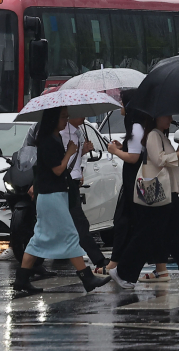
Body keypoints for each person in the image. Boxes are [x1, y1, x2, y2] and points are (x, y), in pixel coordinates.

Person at [11, 107, 113, 295]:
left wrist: (72, 153)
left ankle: (22, 279)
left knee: (39, 238)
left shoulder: (55, 138)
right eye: (63, 117)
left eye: (67, 117)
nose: (66, 120)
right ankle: (87, 277)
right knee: (70, 234)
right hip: (51, 196)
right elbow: (57, 169)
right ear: (52, 120)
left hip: (55, 194)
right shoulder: (48, 141)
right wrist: (70, 152)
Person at [111, 113, 179, 288]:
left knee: (176, 234)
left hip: (169, 192)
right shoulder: (153, 134)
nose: (170, 119)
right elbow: (159, 160)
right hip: (158, 193)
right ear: (155, 118)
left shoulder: (161, 136)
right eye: (166, 116)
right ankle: (122, 271)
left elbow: (172, 160)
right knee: (147, 234)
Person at [101, 105, 166, 281]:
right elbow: (135, 150)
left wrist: (116, 152)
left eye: (122, 103)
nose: (120, 107)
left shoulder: (136, 126)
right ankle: (159, 267)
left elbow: (134, 157)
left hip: (134, 182)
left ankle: (116, 265)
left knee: (128, 222)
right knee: (135, 223)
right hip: (136, 180)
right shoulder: (139, 125)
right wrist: (123, 147)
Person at [59, 114, 107, 272]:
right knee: (79, 223)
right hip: (65, 182)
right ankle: (98, 261)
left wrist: (83, 152)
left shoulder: (78, 132)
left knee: (65, 225)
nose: (83, 116)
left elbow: (74, 159)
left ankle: (30, 266)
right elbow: (61, 161)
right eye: (78, 113)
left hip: (73, 180)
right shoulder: (62, 133)